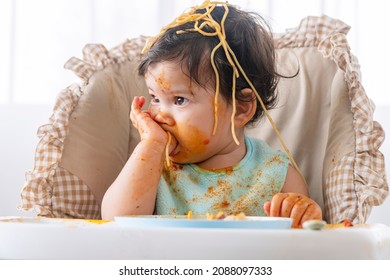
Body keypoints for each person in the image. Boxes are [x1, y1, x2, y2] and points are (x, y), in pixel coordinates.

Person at [101, 0, 322, 228]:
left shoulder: (275, 173)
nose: (159, 115)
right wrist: (152, 146)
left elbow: (304, 240)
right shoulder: (152, 166)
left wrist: (303, 213)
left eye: (179, 100)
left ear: (241, 108)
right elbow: (116, 222)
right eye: (155, 98)